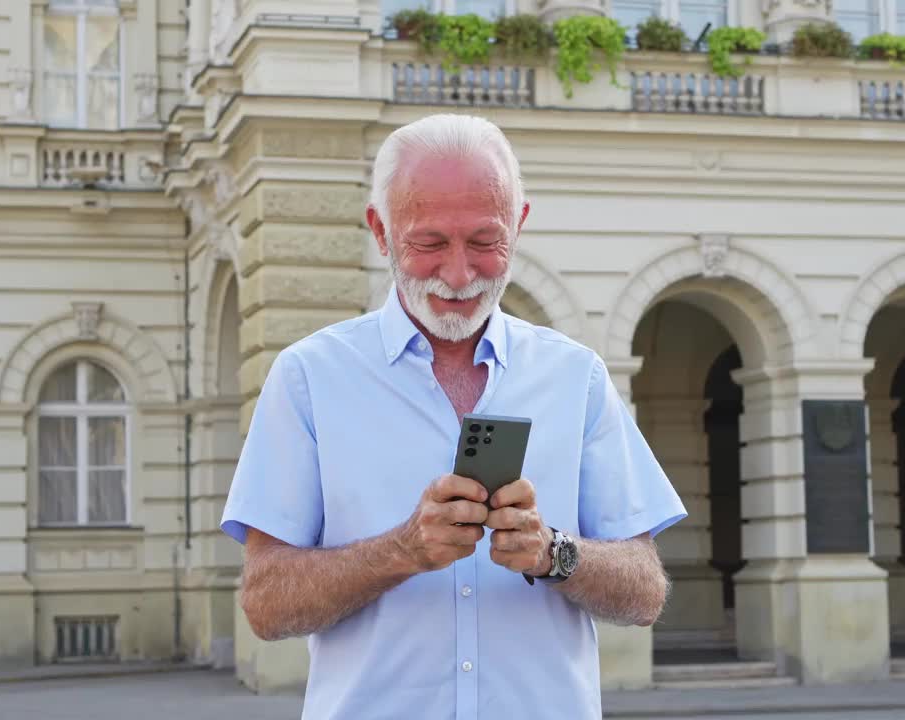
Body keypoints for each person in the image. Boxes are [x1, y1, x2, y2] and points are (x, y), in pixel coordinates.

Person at [220, 113, 686, 719]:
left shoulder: (577, 377)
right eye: (430, 243)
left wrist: (553, 553)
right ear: (380, 232)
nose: (460, 274)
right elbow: (265, 603)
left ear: (518, 226)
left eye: (485, 242)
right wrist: (401, 551)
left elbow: (645, 589)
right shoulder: (310, 377)